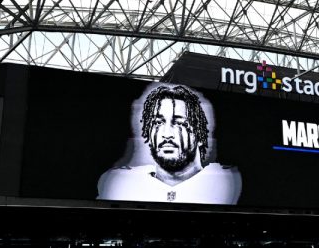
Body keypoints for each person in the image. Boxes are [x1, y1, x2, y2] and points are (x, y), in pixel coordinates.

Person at [98, 84, 241, 204]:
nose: (166, 134)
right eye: (158, 123)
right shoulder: (122, 185)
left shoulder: (227, 181)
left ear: (199, 134)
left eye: (179, 123)